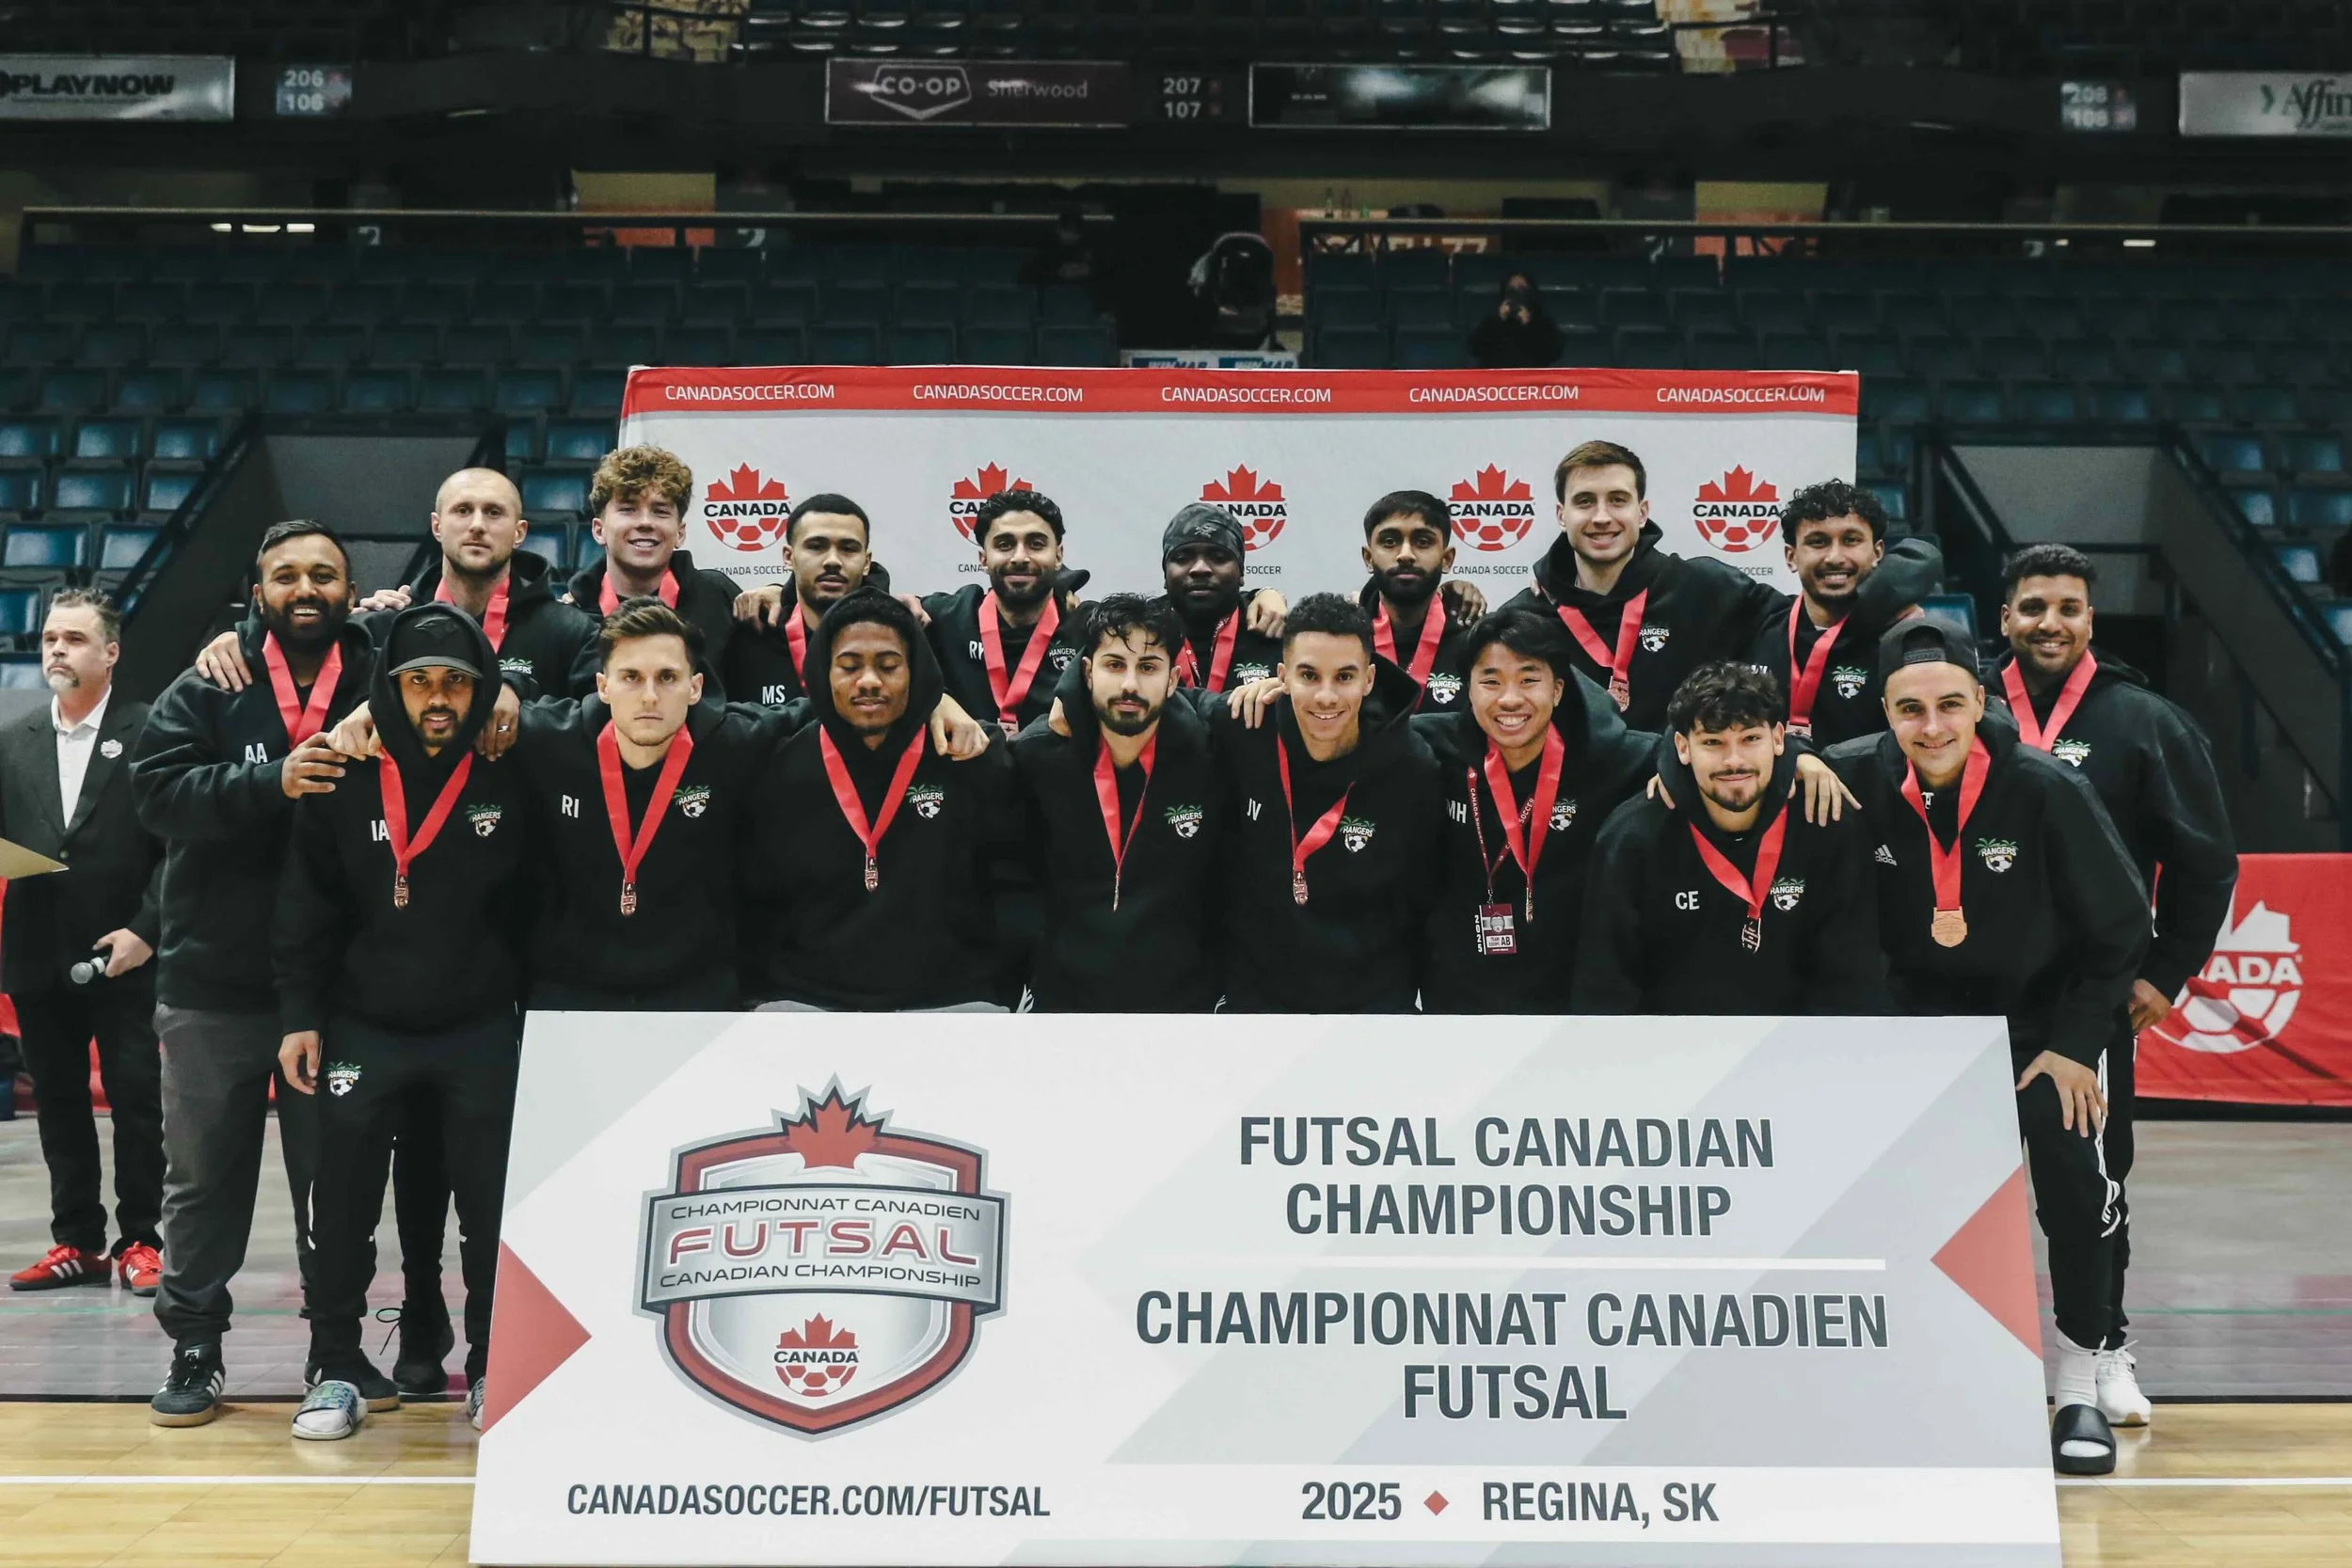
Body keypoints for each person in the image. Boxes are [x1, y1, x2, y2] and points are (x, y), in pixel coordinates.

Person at [1827, 620, 2150, 1477]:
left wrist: (2080, 1045)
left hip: (2046, 1028)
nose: (1930, 726)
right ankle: (1930, 1378)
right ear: (1883, 712)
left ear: (1983, 700)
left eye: (1948, 705)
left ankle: (2082, 1376)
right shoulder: (1848, 776)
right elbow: (1712, 759)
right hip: (1920, 1034)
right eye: (1909, 709)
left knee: (2075, 1192)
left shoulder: (2046, 787)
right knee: (1913, 1208)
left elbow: (2124, 929)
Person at [129, 522, 373, 1427]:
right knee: (202, 1181)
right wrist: (268, 783)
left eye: (323, 574)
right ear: (256, 587)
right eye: (285, 575)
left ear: (353, 589)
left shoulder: (383, 674)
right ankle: (195, 1346)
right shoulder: (211, 680)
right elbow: (155, 795)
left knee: (336, 1176)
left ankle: (334, 1354)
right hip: (211, 980)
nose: (304, 588)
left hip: (340, 981)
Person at [1994, 543, 2239, 1429]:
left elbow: (2208, 864)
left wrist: (2164, 971)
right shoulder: (1965, 708)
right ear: (2005, 618)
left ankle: (2105, 1349)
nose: (2048, 622)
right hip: (1966, 1001)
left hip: (2084, 999)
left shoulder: (2146, 720)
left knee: (2093, 1184)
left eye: (2066, 607)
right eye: (2032, 607)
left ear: (2091, 619)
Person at [274, 603, 533, 1440]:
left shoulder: (509, 765)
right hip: (364, 1021)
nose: (436, 698)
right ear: (388, 687)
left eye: (456, 682)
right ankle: (337, 1366)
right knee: (341, 1200)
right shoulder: (345, 769)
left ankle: (496, 1365)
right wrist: (299, 1015)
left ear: (481, 689)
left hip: (480, 1023)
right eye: (418, 680)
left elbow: (540, 900)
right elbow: (305, 902)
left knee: (491, 1208)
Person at [0, 591, 165, 1300]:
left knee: (136, 1100)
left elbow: (177, 848)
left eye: (73, 638)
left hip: (122, 950)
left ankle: (141, 1239)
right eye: (48, 639)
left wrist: (146, 930)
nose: (56, 650)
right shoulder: (16, 739)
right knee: (61, 1101)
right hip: (38, 951)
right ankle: (78, 1239)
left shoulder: (151, 731)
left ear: (111, 652)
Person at [744, 590, 1020, 1011]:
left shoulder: (968, 752)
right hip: (806, 1002)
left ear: (916, 671)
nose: (869, 680)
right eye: (849, 666)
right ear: (823, 672)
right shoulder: (777, 760)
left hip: (953, 1001)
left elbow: (1012, 879)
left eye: (889, 666)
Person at [1574, 662, 1885, 1013]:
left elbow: (1852, 979)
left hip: (1798, 1050)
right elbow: (1606, 988)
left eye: (1750, 738)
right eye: (1712, 742)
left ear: (1779, 739)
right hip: (1672, 1053)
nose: (1733, 761)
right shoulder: (1631, 837)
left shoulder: (1828, 824)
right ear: (1682, 747)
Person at [1416, 609, 1654, 1013]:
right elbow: (1345, 731)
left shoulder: (1612, 756)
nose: (1510, 699)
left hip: (1567, 1012)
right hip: (1456, 1009)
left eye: (1529, 680)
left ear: (1558, 690)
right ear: (1468, 689)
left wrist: (1796, 757)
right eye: (1490, 681)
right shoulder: (1430, 747)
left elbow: (1709, 752)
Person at [1214, 594, 1441, 1013]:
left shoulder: (1411, 766)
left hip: (1372, 1007)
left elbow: (1422, 897)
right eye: (1308, 675)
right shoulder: (1244, 728)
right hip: (1257, 1005)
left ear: (1369, 680)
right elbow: (1158, 703)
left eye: (1344, 677)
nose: (1325, 696)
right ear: (1281, 676)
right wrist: (1068, 703)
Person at [1010, 594, 1224, 1012]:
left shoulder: (1214, 758)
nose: (1130, 684)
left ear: (1173, 678)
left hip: (1185, 1005)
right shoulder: (1037, 756)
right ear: (1086, 672)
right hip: (1064, 1003)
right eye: (1114, 665)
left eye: (1147, 668)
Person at [1503, 438, 1784, 732]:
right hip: (1568, 779)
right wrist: (1452, 592)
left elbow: (1794, 626)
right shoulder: (1528, 616)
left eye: (1618, 500)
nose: (1601, 517)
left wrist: (1787, 743)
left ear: (1642, 512)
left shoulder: (1702, 588)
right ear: (1562, 515)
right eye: (1585, 501)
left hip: (1680, 777)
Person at [1740, 479, 1943, 746]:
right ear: (1791, 556)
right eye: (1818, 542)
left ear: (1878, 552)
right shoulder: (1757, 625)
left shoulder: (1904, 639)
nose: (1835, 557)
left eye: (1850, 540)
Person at [563, 445, 741, 696]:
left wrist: (780, 594)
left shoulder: (719, 597)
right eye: (628, 509)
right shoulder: (570, 619)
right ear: (598, 529)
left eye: (660, 512)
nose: (645, 522)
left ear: (680, 532)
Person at [923, 489, 1086, 736]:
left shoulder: (1088, 627)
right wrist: (939, 698)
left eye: (1036, 544)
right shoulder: (945, 616)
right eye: (1005, 544)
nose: (1020, 557)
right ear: (983, 558)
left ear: (1058, 555)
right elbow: (860, 609)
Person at [723, 493, 881, 708]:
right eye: (816, 546)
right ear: (788, 557)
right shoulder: (748, 635)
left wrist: (943, 697)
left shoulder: (897, 637)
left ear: (866, 562)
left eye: (848, 548)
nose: (833, 560)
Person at [1152, 504, 1287, 694]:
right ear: (1165, 572)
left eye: (1219, 557)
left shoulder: (1272, 626)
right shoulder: (1139, 628)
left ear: (1241, 571)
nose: (1200, 568)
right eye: (1182, 558)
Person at [1356, 489, 1472, 708]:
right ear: (1368, 558)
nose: (1406, 554)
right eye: (1390, 542)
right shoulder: (1346, 638)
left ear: (1447, 559)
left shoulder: (1476, 642)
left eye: (1423, 542)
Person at [1468, 272, 1565, 370]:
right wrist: (1497, 320)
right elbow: (1475, 349)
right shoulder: (1492, 320)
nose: (1516, 292)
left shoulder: (1542, 321)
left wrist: (1529, 326)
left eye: (1521, 288)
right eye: (1512, 288)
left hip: (1531, 379)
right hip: (1497, 379)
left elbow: (1553, 353)